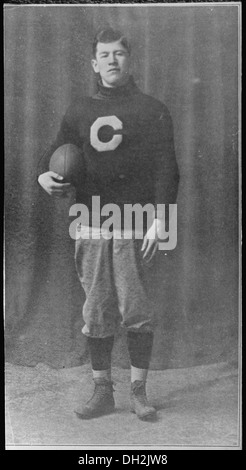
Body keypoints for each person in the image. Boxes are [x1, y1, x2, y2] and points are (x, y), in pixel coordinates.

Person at [37, 28, 179, 421]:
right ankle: (102, 391)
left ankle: (138, 391)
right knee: (96, 309)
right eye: (105, 54)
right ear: (94, 63)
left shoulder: (153, 109)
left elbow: (167, 169)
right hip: (91, 220)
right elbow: (54, 153)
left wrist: (161, 219)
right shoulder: (79, 110)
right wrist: (42, 176)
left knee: (136, 308)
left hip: (136, 221)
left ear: (128, 60)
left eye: (119, 53)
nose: (113, 60)